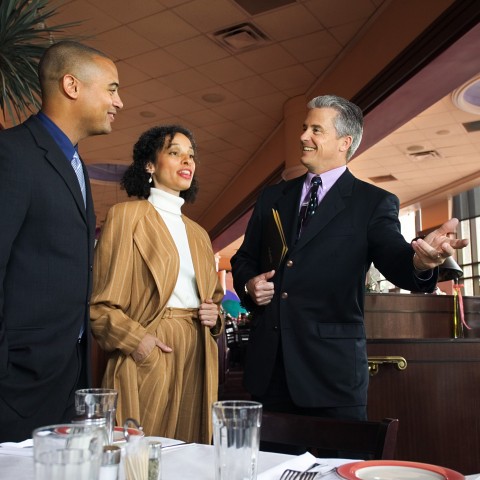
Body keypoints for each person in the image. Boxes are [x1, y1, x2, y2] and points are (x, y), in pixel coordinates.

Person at [231, 94, 468, 425]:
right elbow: (244, 258)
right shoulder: (272, 197)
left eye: (316, 129)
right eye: (304, 128)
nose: (302, 137)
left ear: (345, 142)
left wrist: (422, 263)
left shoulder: (372, 202)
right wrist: (249, 284)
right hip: (269, 373)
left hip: (332, 377)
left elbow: (396, 259)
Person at [0, 41, 123, 441]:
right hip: (17, 384)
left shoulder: (76, 165)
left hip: (67, 378)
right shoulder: (12, 153)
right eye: (111, 89)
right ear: (72, 85)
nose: (119, 102)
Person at [90, 125, 224, 443]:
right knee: (140, 460)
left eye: (191, 155)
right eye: (175, 152)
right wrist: (139, 342)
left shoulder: (199, 234)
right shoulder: (126, 217)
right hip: (150, 348)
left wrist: (215, 317)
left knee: (193, 457)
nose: (186, 161)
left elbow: (214, 300)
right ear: (149, 165)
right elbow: (100, 308)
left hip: (198, 354)